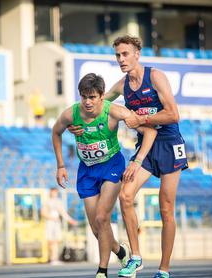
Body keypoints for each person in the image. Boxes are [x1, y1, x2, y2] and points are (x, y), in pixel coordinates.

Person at [69, 35, 188, 278]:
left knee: (166, 209)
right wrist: (76, 123)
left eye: (125, 54)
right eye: (117, 55)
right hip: (145, 145)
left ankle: (164, 270)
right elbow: (96, 104)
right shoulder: (122, 85)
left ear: (137, 54)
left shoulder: (155, 77)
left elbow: (173, 115)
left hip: (169, 143)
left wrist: (141, 119)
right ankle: (135, 257)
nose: (121, 59)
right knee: (125, 195)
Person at [52, 73, 157, 278]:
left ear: (102, 96)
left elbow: (150, 132)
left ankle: (102, 271)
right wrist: (61, 165)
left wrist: (137, 161)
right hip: (87, 170)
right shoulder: (71, 114)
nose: (88, 102)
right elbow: (55, 132)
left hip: (111, 165)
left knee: (102, 217)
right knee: (96, 228)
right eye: (84, 97)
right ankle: (120, 251)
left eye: (92, 97)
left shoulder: (114, 112)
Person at [41, 187, 78, 265]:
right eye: (53, 192)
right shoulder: (47, 201)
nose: (54, 194)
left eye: (55, 192)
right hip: (50, 223)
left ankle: (54, 259)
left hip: (56, 223)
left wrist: (71, 220)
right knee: (51, 241)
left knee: (56, 241)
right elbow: (43, 213)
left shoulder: (58, 201)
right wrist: (51, 217)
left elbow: (63, 212)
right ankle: (52, 258)